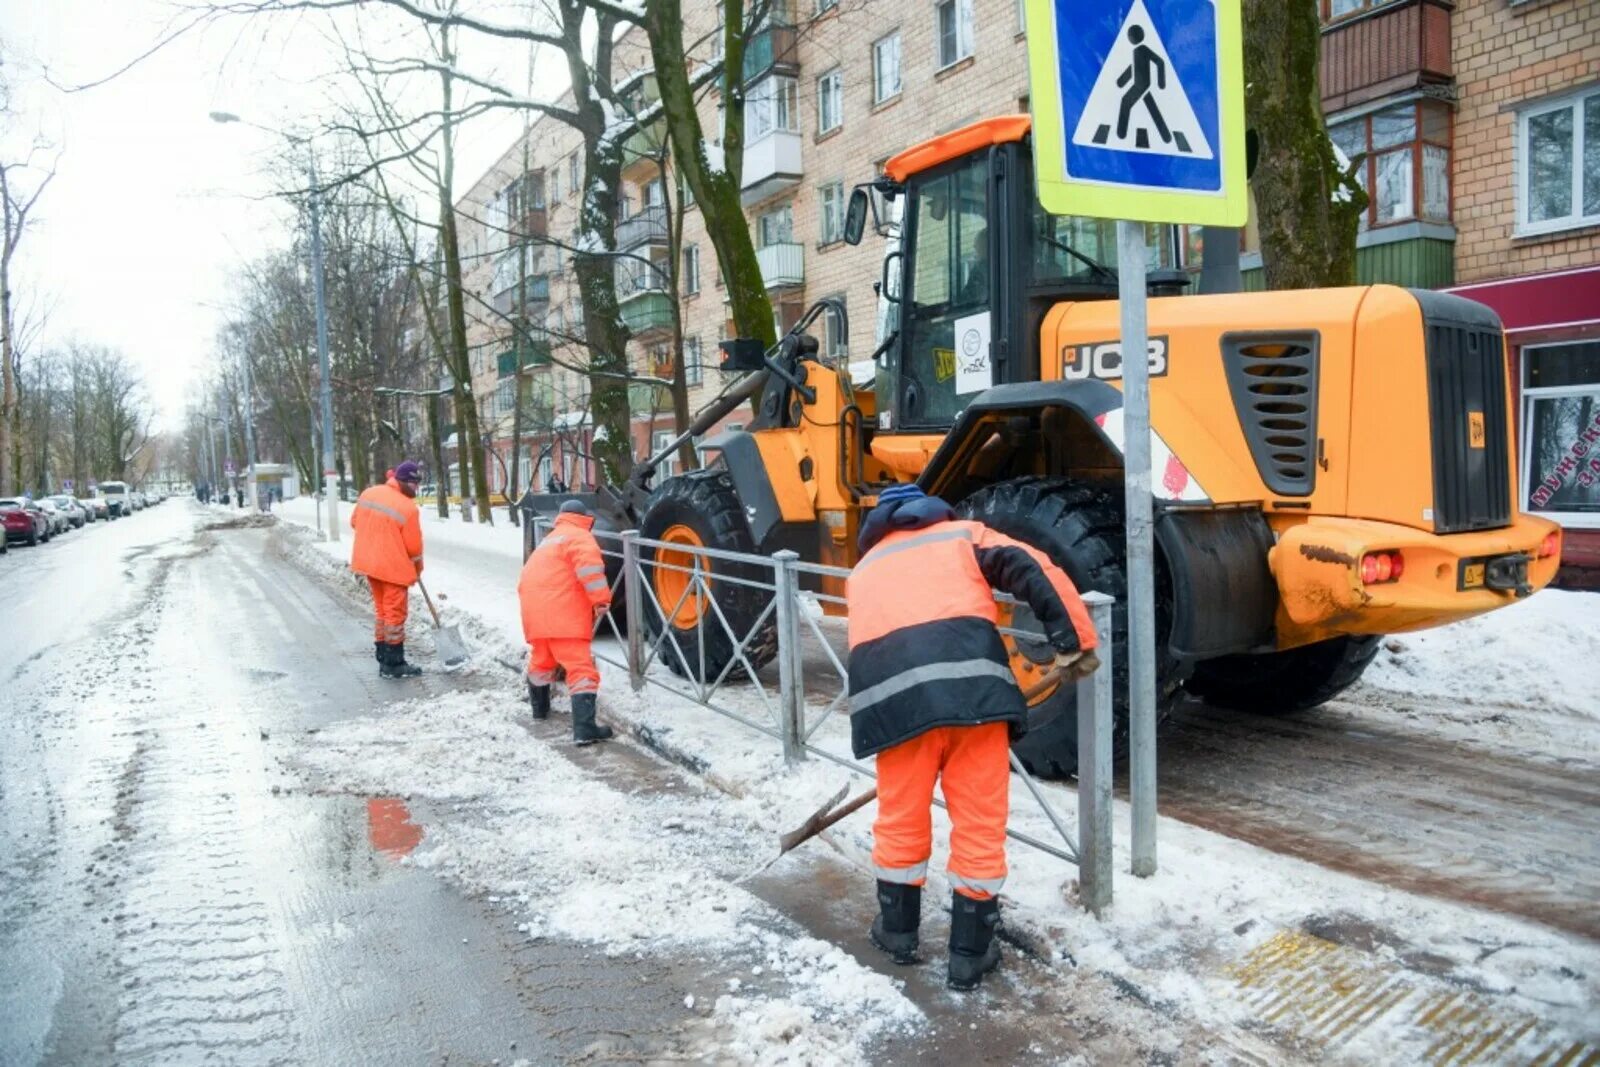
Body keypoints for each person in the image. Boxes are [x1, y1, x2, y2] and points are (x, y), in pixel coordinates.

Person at [846, 483, 1099, 991]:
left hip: (897, 714)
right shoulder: (962, 536)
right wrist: (1075, 640)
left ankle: (897, 935)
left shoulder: (862, 571)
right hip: (975, 703)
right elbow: (1032, 566)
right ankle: (969, 953)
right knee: (980, 823)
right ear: (929, 511)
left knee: (900, 819)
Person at [517, 499, 614, 744]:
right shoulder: (579, 536)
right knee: (581, 669)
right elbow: (590, 571)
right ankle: (584, 729)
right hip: (563, 613)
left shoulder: (549, 540)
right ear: (584, 518)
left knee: (542, 661)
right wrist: (601, 599)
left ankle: (539, 711)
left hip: (535, 612)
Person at [351, 460, 426, 679]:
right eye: (414, 483)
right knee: (394, 612)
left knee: (382, 610)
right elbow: (414, 549)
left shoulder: (369, 493)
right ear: (403, 481)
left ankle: (382, 654)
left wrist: (379, 536)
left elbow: (355, 521)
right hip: (393, 568)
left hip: (370, 564)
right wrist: (417, 570)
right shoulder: (408, 508)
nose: (416, 488)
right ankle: (394, 663)